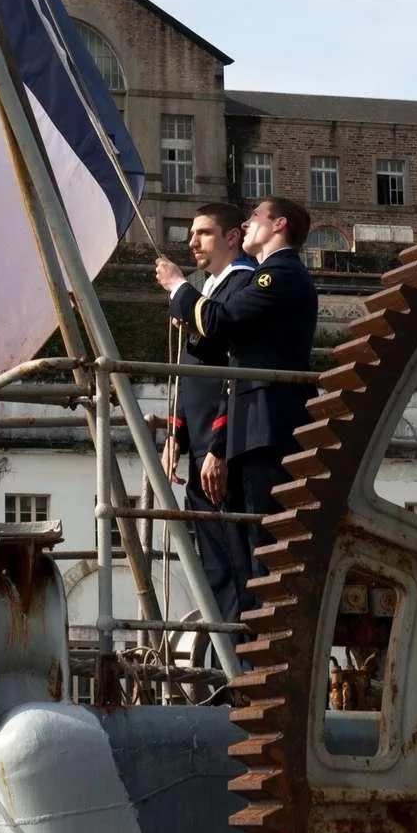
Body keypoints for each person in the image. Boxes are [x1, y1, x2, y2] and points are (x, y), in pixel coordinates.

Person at [155, 194, 318, 605]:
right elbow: (218, 348)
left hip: (265, 424)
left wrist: (179, 288)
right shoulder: (267, 275)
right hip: (248, 426)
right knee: (240, 558)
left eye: (255, 217)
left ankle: (258, 650)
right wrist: (180, 431)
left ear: (279, 224)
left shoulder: (276, 275)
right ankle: (246, 653)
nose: (247, 225)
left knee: (256, 552)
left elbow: (218, 322)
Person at [158, 203, 253, 622]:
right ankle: (224, 668)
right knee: (214, 568)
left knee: (234, 567)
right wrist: (175, 435)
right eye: (192, 234)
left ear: (232, 237)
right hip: (197, 443)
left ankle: (240, 670)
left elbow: (234, 373)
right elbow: (190, 371)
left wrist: (217, 445)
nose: (192, 242)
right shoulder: (210, 292)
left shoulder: (243, 287)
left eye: (204, 233)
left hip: (221, 447)